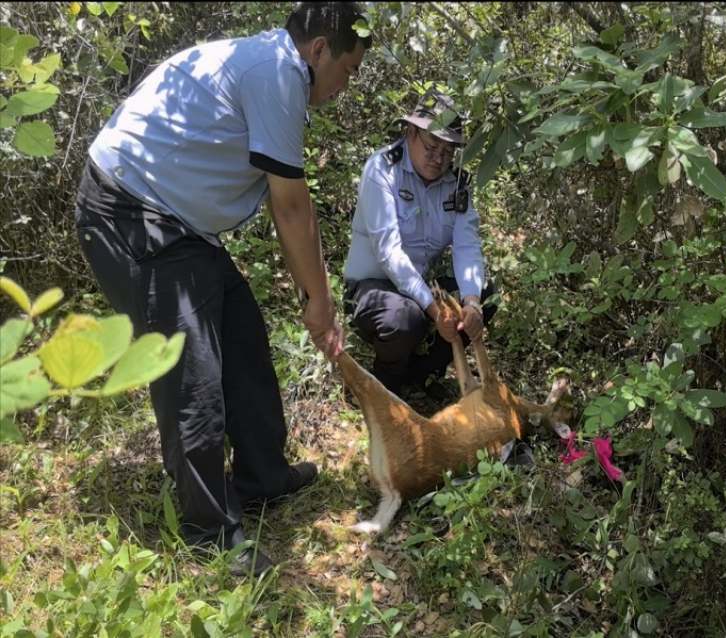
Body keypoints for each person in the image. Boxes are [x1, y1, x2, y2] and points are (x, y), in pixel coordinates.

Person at [73, 2, 369, 577]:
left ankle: (264, 478)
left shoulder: (270, 65)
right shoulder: (276, 73)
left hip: (176, 221)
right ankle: (209, 533)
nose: (345, 87)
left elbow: (286, 206)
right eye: (348, 71)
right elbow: (290, 206)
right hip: (129, 212)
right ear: (319, 51)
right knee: (193, 372)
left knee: (243, 338)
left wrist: (313, 295)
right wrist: (321, 303)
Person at [343, 89, 496, 401]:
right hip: (372, 286)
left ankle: (421, 374)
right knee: (404, 318)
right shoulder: (382, 169)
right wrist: (433, 307)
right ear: (411, 132)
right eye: (432, 146)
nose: (439, 158)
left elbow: (467, 246)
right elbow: (389, 252)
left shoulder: (456, 186)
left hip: (420, 288)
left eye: (448, 150)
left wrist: (472, 302)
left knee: (486, 296)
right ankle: (384, 387)